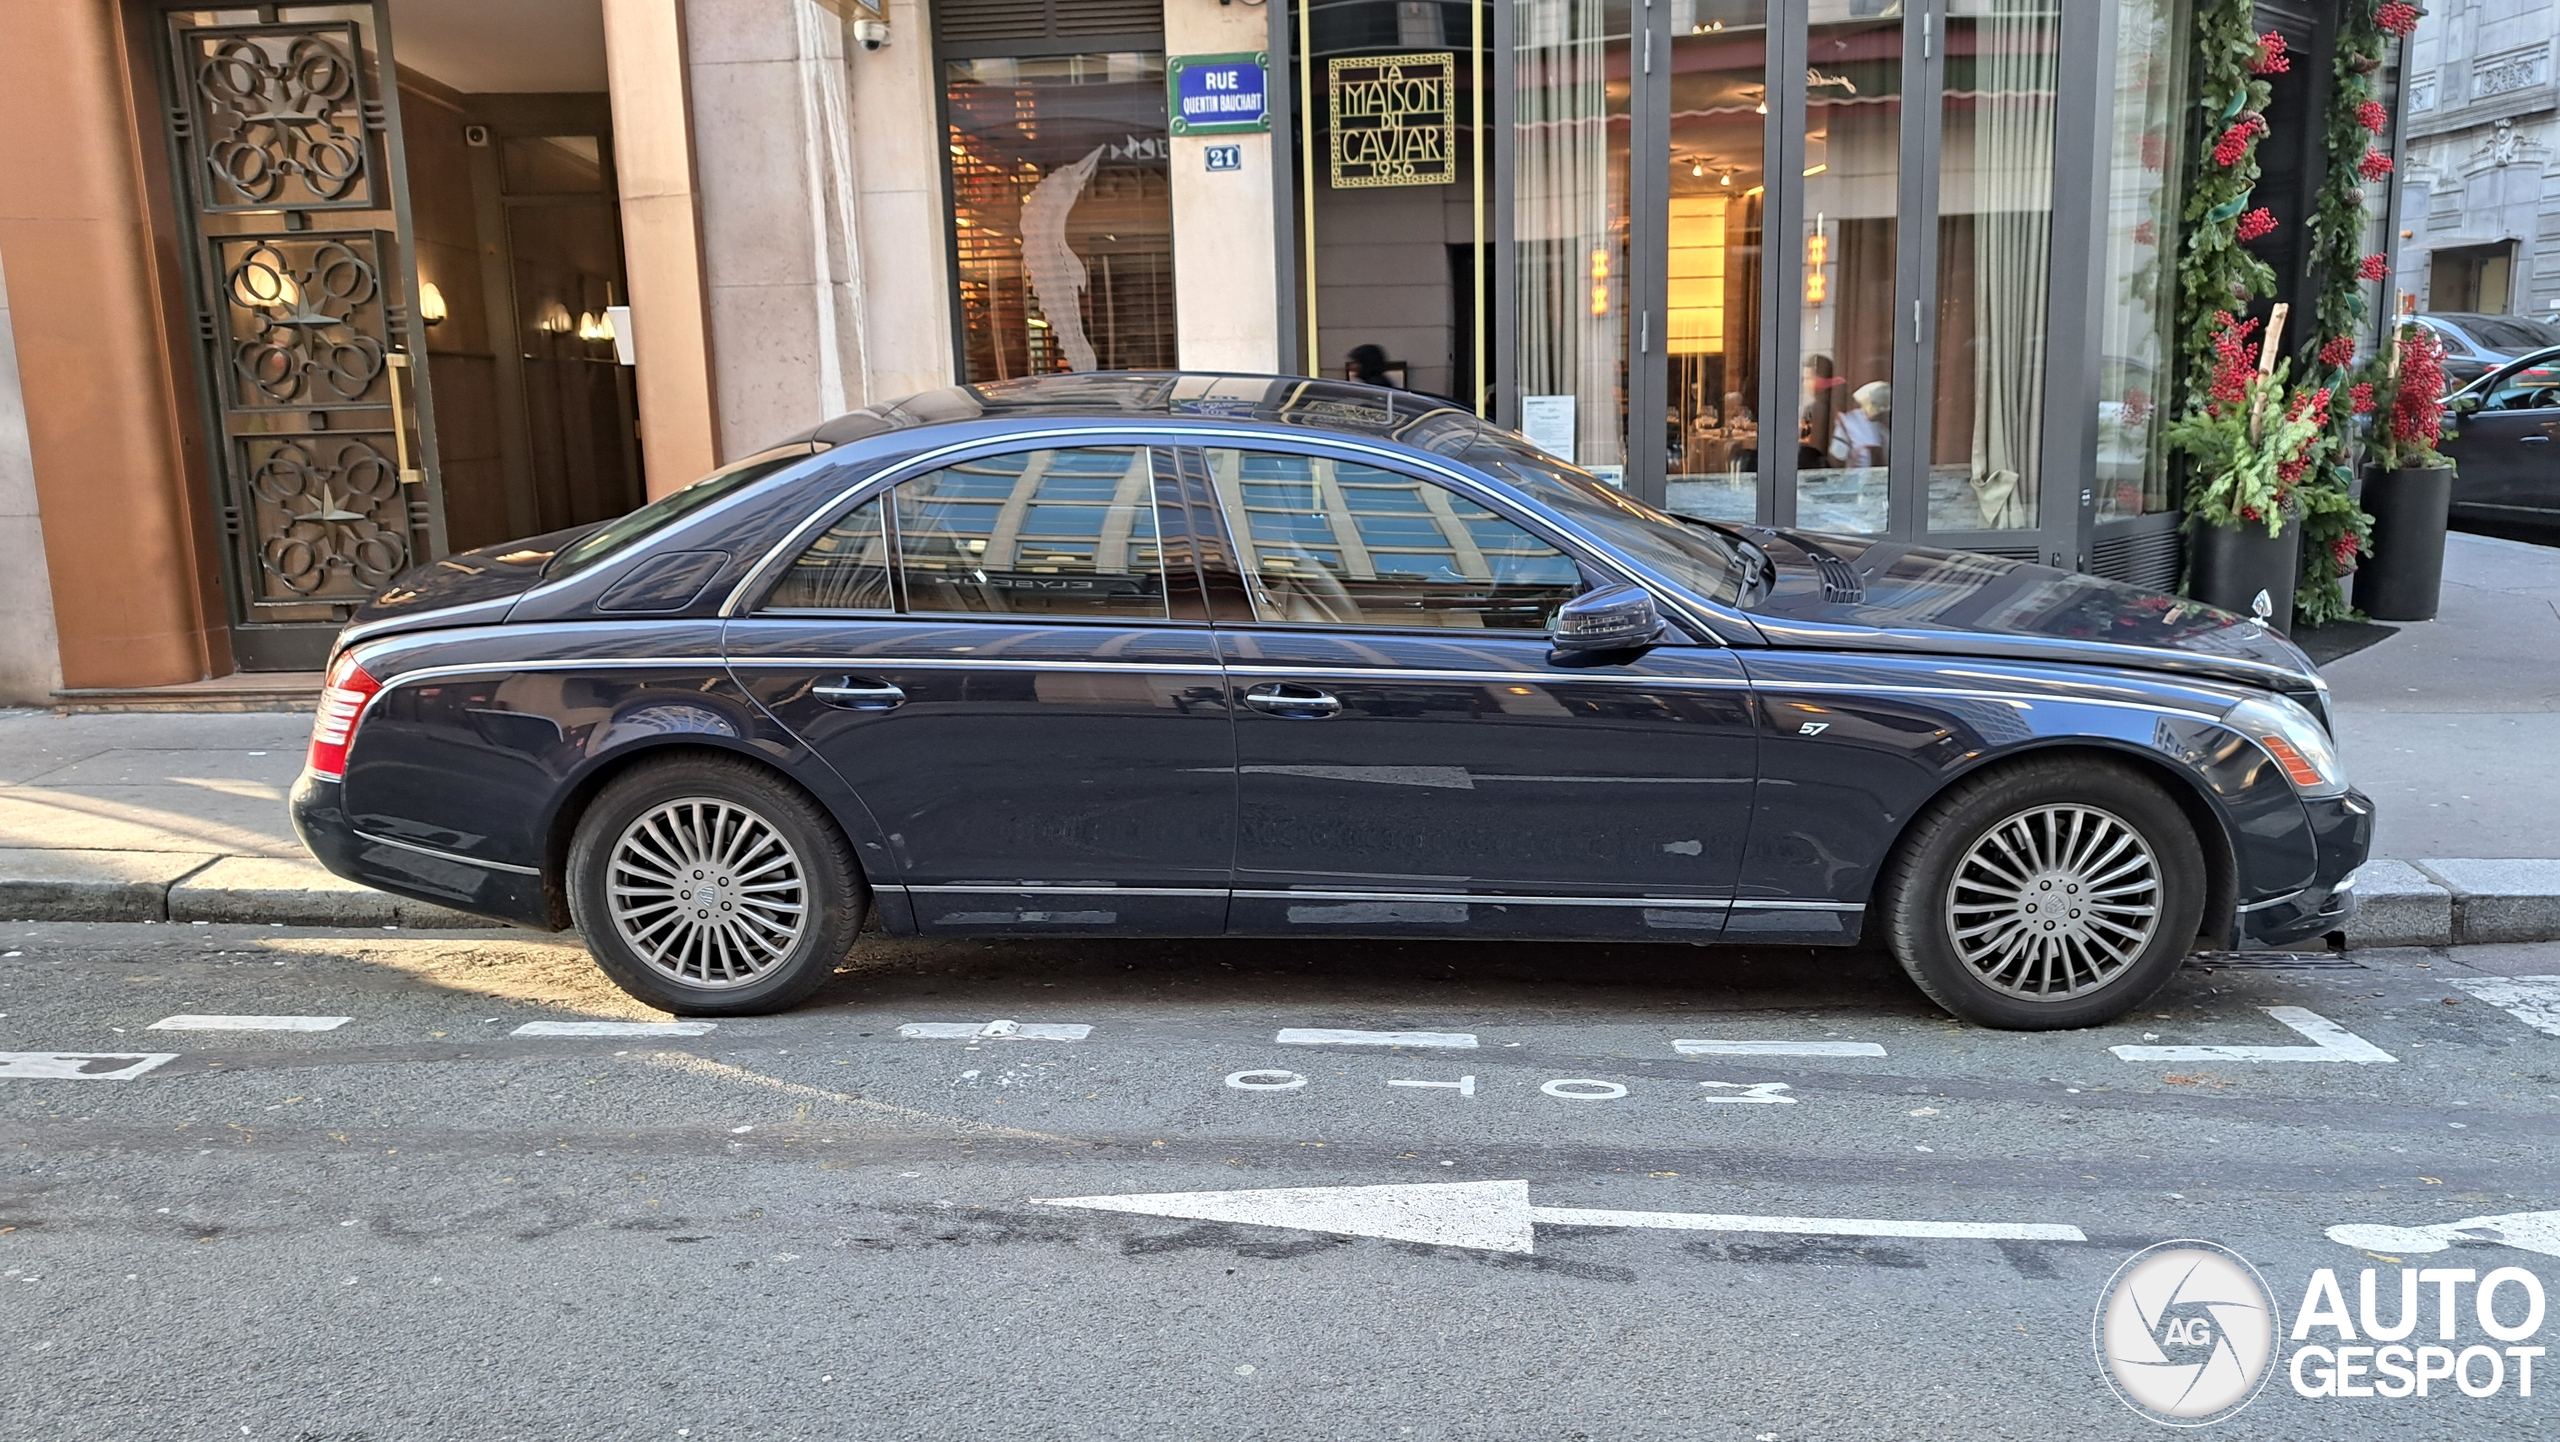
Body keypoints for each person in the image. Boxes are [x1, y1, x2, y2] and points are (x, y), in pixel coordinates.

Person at [1798, 353, 1845, 470]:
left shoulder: (1819, 407)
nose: (1804, 384)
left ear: (1821, 381)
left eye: (1808, 379)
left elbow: (1815, 446)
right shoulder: (1840, 400)